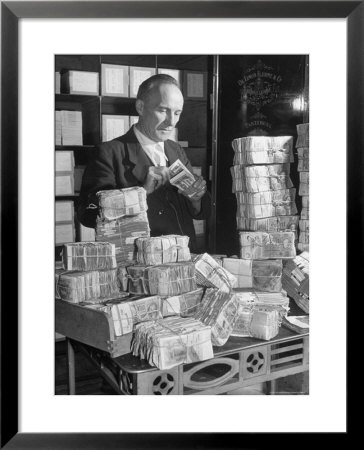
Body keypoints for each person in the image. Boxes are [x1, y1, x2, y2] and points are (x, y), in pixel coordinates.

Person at [78, 74, 211, 252]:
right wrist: (141, 193)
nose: (171, 122)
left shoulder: (176, 150)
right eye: (163, 110)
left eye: (177, 113)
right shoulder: (108, 153)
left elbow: (200, 211)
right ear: (140, 107)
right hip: (137, 265)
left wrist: (196, 199)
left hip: (182, 259)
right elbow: (87, 214)